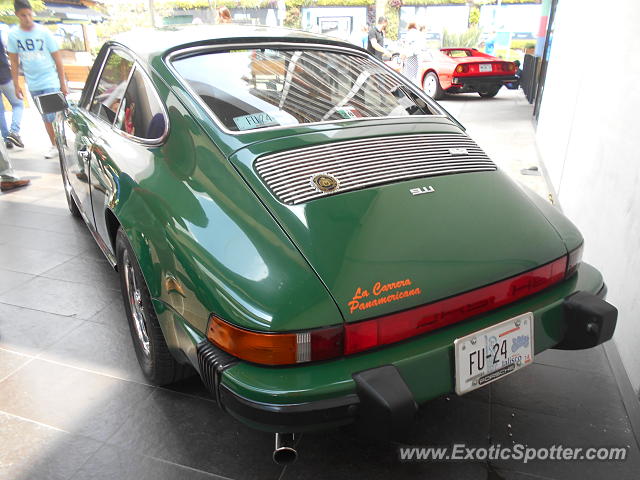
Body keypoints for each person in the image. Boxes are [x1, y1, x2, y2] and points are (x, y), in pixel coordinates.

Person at [7, 0, 68, 159]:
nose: (27, 18)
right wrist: (16, 84)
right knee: (45, 116)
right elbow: (14, 61)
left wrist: (62, 83)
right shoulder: (14, 35)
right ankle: (55, 144)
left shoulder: (44, 32)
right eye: (23, 15)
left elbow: (57, 58)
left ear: (32, 12)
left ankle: (60, 142)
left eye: (29, 14)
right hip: (33, 83)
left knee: (53, 115)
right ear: (17, 15)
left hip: (50, 80)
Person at [0, 36, 24, 150]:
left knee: (0, 111)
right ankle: (14, 131)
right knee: (18, 103)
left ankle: (6, 138)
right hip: (4, 75)